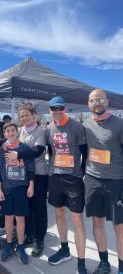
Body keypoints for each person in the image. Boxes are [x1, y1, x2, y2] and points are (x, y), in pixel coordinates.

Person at [46, 96, 87, 274]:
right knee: (59, 213)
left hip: (74, 178)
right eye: (53, 109)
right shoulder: (48, 128)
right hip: (55, 177)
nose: (56, 111)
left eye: (60, 108)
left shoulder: (77, 126)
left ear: (65, 109)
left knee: (77, 220)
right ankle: (65, 250)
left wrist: (82, 175)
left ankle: (81, 261)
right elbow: (50, 152)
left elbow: (85, 153)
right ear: (49, 110)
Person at [83, 89, 123, 274]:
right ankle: (104, 263)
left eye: (101, 99)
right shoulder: (86, 124)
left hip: (116, 181)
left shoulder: (119, 124)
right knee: (97, 223)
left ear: (107, 102)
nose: (97, 103)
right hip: (92, 180)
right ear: (88, 103)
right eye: (93, 100)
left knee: (119, 227)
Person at [5, 103, 48, 256]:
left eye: (27, 115)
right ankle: (29, 234)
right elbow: (7, 143)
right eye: (22, 116)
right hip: (23, 176)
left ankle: (40, 239)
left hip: (39, 175)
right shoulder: (20, 131)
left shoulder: (40, 131)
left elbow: (37, 151)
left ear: (34, 115)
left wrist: (19, 155)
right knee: (26, 208)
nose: (24, 118)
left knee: (39, 207)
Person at [0, 123, 35, 265]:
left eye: (13, 130)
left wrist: (31, 185)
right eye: (8, 131)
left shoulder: (24, 148)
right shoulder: (2, 149)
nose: (11, 133)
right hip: (6, 189)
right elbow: (0, 171)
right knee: (8, 217)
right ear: (4, 134)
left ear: (17, 132)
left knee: (20, 218)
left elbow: (31, 168)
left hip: (21, 188)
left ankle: (20, 245)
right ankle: (8, 243)